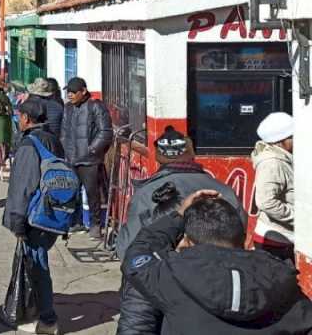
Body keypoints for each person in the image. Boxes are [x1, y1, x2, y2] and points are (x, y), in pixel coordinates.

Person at [123, 190, 312, 334]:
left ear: (188, 241)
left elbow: (139, 253)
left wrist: (179, 215)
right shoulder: (281, 278)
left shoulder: (172, 276)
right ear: (245, 239)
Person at [115, 126, 245, 335]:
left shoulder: (146, 194)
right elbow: (239, 241)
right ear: (192, 154)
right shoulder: (223, 191)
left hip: (160, 292)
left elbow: (129, 250)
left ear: (158, 157)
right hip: (222, 291)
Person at [2, 99, 64, 334]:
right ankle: (34, 313)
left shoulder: (30, 145)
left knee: (36, 267)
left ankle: (47, 319)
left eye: (19, 116)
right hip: (52, 214)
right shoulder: (53, 139)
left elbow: (23, 187)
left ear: (26, 118)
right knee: (35, 263)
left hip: (34, 217)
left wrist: (17, 222)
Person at [60, 77, 112, 240]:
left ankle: (95, 225)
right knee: (70, 192)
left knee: (92, 194)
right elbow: (64, 131)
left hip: (89, 160)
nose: (70, 95)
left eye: (73, 93)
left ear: (83, 91)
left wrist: (92, 150)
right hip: (71, 157)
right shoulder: (68, 108)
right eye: (68, 92)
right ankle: (75, 222)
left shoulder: (96, 107)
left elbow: (105, 132)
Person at [252, 112, 295, 262]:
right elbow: (266, 202)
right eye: (292, 137)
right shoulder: (272, 163)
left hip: (284, 240)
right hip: (276, 243)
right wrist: (298, 217)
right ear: (280, 141)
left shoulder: (284, 158)